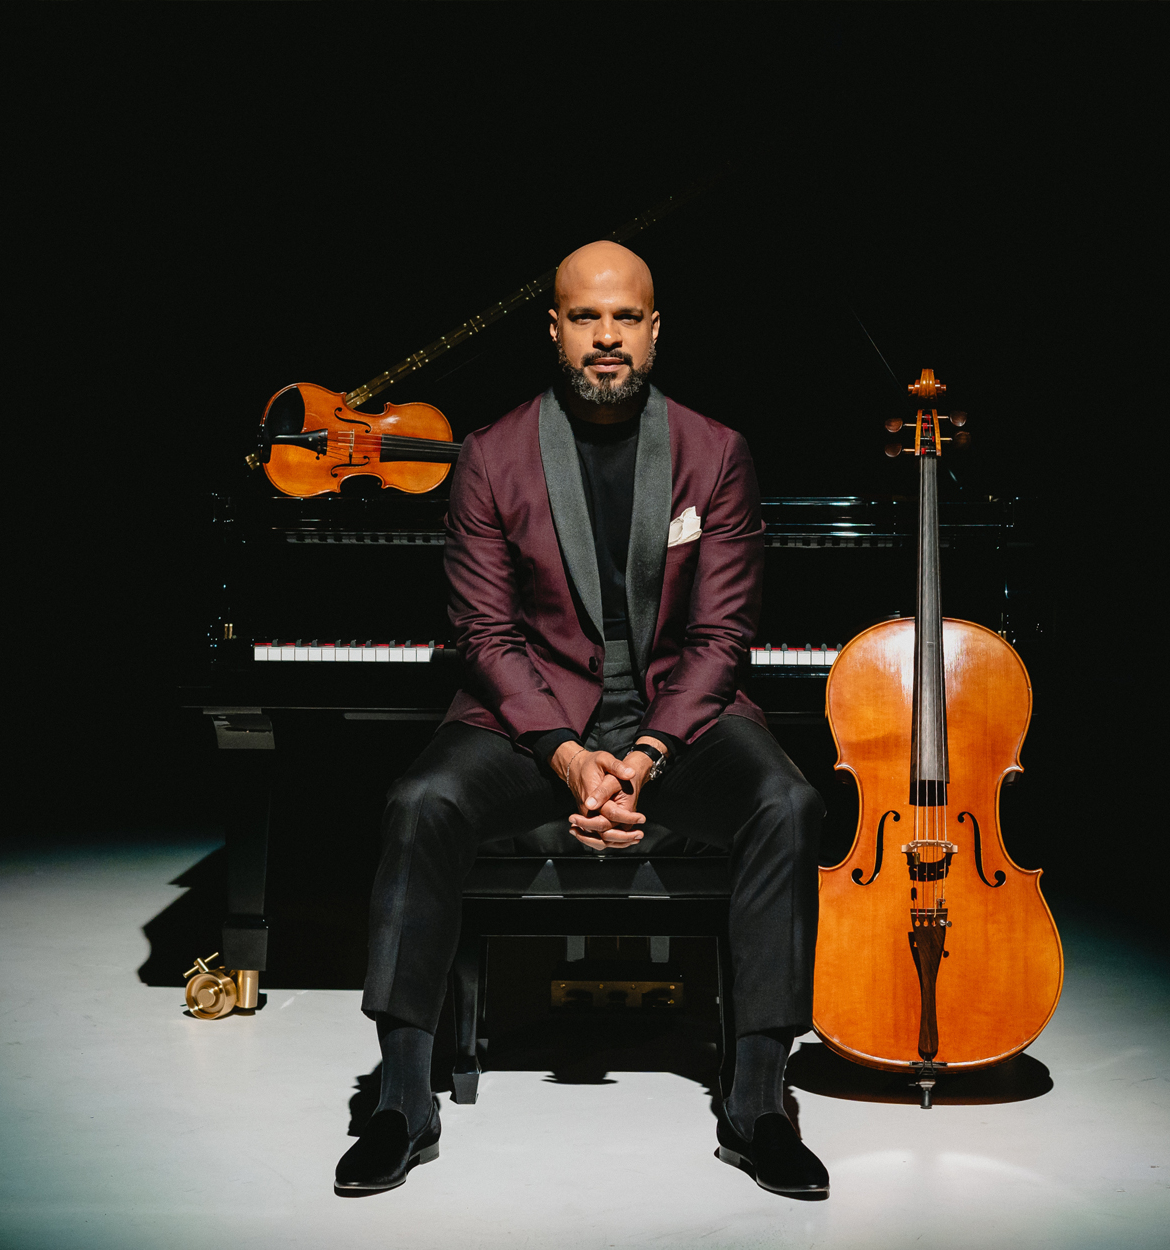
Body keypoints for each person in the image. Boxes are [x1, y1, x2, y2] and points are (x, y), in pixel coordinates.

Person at [337, 241, 828, 1199]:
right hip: (532, 720)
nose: (607, 337)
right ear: (555, 328)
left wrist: (644, 752)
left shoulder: (714, 451)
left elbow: (722, 637)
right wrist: (565, 755)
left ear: (654, 330)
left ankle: (759, 1101)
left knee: (787, 803)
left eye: (626, 318)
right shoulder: (489, 455)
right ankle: (401, 1099)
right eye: (586, 317)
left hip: (675, 720)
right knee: (419, 801)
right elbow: (484, 633)